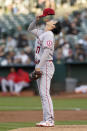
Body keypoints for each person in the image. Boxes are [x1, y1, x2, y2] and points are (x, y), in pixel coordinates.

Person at [28, 8, 62, 127]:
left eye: (53, 21)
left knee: (45, 93)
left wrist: (39, 67)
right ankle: (45, 119)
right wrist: (35, 20)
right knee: (42, 94)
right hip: (40, 64)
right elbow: (30, 29)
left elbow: (47, 52)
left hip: (45, 64)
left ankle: (50, 120)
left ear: (53, 26)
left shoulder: (49, 34)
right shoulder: (42, 32)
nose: (50, 20)